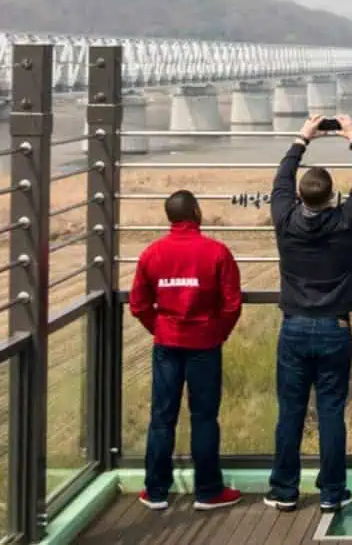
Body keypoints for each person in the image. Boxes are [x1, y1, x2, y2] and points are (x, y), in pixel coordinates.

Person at [264, 113, 352, 513]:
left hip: (293, 327)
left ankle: (284, 491)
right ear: (332, 197)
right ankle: (332, 494)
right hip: (334, 329)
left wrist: (302, 137)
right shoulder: (346, 222)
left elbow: (280, 180)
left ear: (299, 197)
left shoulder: (284, 218)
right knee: (331, 412)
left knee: (290, 412)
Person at [129, 190, 244, 511]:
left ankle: (155, 491)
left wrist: (161, 327)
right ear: (195, 212)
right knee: (204, 417)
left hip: (167, 345)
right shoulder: (216, 252)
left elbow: (138, 304)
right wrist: (215, 332)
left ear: (170, 216)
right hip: (205, 346)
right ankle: (208, 492)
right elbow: (232, 303)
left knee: (161, 419)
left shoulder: (152, 254)